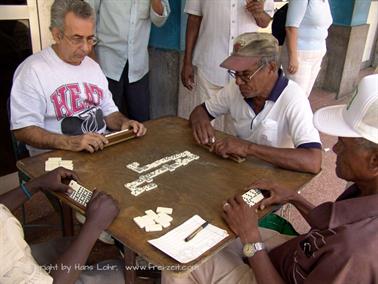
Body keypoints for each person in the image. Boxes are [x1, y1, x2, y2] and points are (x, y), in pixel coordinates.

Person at [163, 73, 378, 284]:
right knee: (215, 235)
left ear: (375, 161)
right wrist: (293, 197)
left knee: (178, 265)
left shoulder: (356, 253)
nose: (336, 149)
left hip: (278, 274)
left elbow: (313, 160)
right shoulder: (366, 190)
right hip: (298, 255)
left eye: (344, 144)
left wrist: (251, 240)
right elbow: (331, 225)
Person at [10, 0, 146, 157]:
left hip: (100, 152)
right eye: (77, 38)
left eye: (90, 39)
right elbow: (24, 130)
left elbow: (109, 112)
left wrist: (124, 123)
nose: (86, 48)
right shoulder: (32, 71)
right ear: (57, 35)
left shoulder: (92, 67)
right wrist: (70, 142)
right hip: (57, 159)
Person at [190, 32, 322, 174]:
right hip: (240, 172)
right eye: (236, 73)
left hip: (276, 178)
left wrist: (248, 148)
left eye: (246, 74)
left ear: (271, 67)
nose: (238, 81)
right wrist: (202, 124)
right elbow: (201, 111)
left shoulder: (293, 98)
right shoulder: (235, 88)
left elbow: (313, 161)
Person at [0, 167, 125, 283]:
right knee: (119, 271)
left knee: (68, 245)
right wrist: (94, 224)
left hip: (11, 250)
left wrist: (36, 184)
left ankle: (77, 268)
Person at [180, 0, 274, 133]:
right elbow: (194, 19)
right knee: (204, 124)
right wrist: (187, 61)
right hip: (210, 63)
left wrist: (259, 12)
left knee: (239, 127)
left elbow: (264, 22)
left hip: (245, 71)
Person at [86, 0, 171, 121]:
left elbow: (159, 20)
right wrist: (91, 58)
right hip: (107, 64)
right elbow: (88, 13)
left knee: (141, 123)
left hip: (138, 66)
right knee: (108, 122)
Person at [280, 0, 333, 97]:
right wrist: (293, 58)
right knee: (296, 96)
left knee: (304, 96)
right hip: (300, 55)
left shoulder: (324, 1)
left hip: (317, 55)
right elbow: (291, 27)